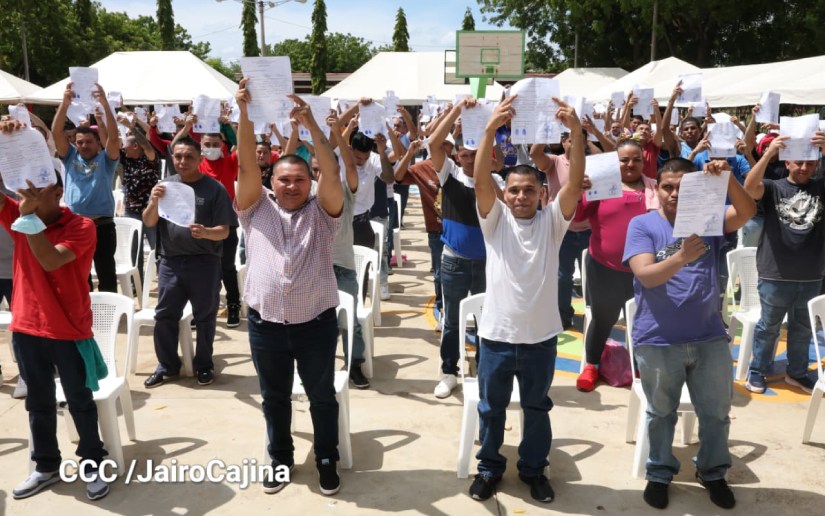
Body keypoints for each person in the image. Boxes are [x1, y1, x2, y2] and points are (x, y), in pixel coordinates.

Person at [467, 96, 585, 503]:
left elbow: (574, 184)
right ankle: (489, 468)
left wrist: (576, 132)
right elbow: (481, 181)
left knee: (537, 409)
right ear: (505, 194)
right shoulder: (495, 221)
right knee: (491, 410)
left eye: (529, 190)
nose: (520, 196)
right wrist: (489, 129)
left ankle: (534, 469)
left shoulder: (552, 222)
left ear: (541, 194)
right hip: (497, 337)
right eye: (514, 190)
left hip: (540, 339)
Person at [623, 157, 755, 510]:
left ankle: (712, 472)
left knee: (716, 414)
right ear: (657, 189)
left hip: (709, 337)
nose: (674, 194)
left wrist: (728, 178)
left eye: (683, 187)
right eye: (667, 187)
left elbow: (747, 210)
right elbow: (646, 276)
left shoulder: (708, 220)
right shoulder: (642, 224)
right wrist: (681, 256)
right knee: (661, 413)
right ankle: (659, 473)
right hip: (658, 338)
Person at [234, 80, 344, 496]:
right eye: (284, 180)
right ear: (273, 182)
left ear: (310, 182)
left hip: (315, 324)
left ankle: (327, 458)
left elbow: (331, 171)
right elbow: (246, 166)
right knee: (274, 397)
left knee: (322, 397)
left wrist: (312, 125)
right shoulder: (254, 207)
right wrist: (244, 114)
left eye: (300, 179)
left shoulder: (323, 210)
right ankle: (280, 457)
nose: (292, 186)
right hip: (266, 326)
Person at [0, 120, 110, 501]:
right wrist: (10, 140)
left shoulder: (81, 226)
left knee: (79, 401)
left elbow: (50, 260)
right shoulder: (18, 214)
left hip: (68, 330)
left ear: (59, 191)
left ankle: (93, 463)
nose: (28, 189)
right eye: (23, 183)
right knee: (39, 402)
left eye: (40, 183)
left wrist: (28, 218)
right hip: (26, 327)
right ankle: (46, 465)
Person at [142, 137, 236, 388]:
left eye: (189, 157)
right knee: (164, 316)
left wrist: (206, 232)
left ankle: (204, 364)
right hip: (170, 262)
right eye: (178, 156)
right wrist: (154, 202)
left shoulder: (215, 189)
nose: (182, 161)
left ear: (200, 159)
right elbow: (149, 221)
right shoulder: (164, 186)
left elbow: (224, 231)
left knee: (204, 317)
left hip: (204, 263)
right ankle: (167, 366)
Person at [743, 131, 825, 394]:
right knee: (768, 328)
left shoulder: (820, 187)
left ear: (817, 164)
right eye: (798, 162)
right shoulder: (773, 187)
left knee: (803, 328)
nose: (803, 168)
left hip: (811, 275)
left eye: (809, 163)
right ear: (787, 162)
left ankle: (797, 372)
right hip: (775, 274)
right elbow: (749, 187)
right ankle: (758, 371)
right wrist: (768, 153)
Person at [575, 139, 659, 392]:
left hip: (645, 270)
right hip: (604, 268)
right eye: (624, 160)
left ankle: (640, 364)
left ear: (644, 162)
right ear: (614, 162)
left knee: (644, 320)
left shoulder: (656, 189)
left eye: (636, 159)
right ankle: (592, 365)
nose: (630, 164)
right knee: (603, 318)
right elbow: (577, 217)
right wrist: (580, 192)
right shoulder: (600, 187)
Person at [428, 98, 496, 399]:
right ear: (457, 155)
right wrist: (455, 110)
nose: (469, 159)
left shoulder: (495, 180)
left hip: (487, 263)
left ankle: (483, 369)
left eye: (474, 154)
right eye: (464, 154)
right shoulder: (450, 174)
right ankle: (448, 371)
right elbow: (433, 142)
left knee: (485, 321)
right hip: (454, 261)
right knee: (453, 321)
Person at [172, 117, 242, 328]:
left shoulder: (229, 162)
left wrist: (228, 126)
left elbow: (243, 146)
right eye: (207, 144)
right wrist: (187, 126)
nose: (212, 147)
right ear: (201, 147)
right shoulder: (196, 165)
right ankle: (200, 309)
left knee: (227, 267)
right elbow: (174, 148)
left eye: (215, 144)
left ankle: (233, 305)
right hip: (199, 226)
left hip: (225, 222)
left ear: (222, 146)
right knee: (202, 269)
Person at [52, 82, 120, 293]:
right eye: (80, 142)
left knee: (106, 273)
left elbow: (114, 137)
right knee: (79, 276)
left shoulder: (106, 160)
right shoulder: (70, 156)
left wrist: (105, 104)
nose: (84, 146)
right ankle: (84, 309)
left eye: (89, 142)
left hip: (102, 225)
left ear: (98, 143)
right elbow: (56, 133)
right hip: (75, 225)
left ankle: (109, 311)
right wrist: (65, 104)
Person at [530, 132, 591, 330]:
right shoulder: (555, 162)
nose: (575, 144)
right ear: (563, 142)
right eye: (570, 140)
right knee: (563, 276)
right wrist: (547, 129)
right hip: (561, 230)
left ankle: (592, 315)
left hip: (589, 229)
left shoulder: (592, 163)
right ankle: (563, 315)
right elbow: (535, 154)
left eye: (580, 140)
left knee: (590, 277)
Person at [394, 135, 453, 328]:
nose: (443, 149)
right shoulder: (422, 168)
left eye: (447, 145)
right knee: (439, 273)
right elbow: (398, 177)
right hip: (436, 230)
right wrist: (409, 153)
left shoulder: (458, 164)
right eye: (440, 145)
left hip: (458, 229)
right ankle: (442, 309)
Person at [116, 113, 161, 283]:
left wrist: (131, 126)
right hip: (131, 211)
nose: (123, 149)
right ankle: (137, 284)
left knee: (158, 249)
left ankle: (165, 280)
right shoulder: (126, 160)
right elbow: (110, 144)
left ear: (135, 146)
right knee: (134, 251)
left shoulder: (150, 159)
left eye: (126, 146)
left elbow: (147, 145)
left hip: (151, 211)